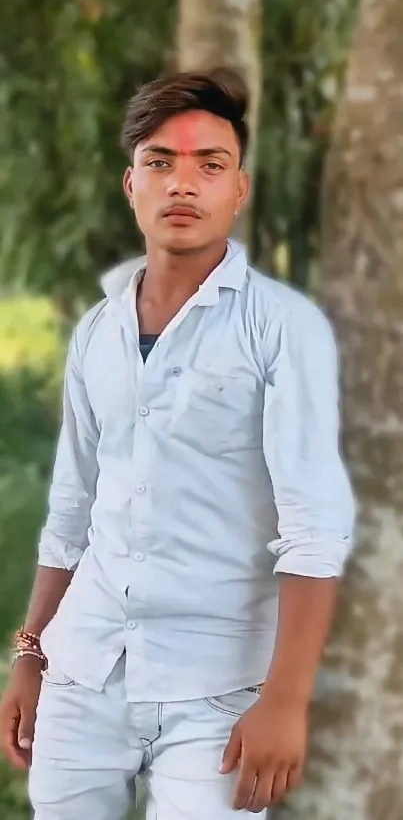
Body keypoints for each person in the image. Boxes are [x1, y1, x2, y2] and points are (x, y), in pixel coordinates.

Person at [0, 67, 355, 820]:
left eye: (209, 165)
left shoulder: (281, 329)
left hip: (217, 688)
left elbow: (314, 529)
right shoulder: (98, 331)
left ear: (240, 189)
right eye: (160, 162)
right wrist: (31, 652)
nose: (181, 184)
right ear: (131, 184)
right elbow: (72, 506)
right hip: (85, 669)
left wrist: (285, 700)